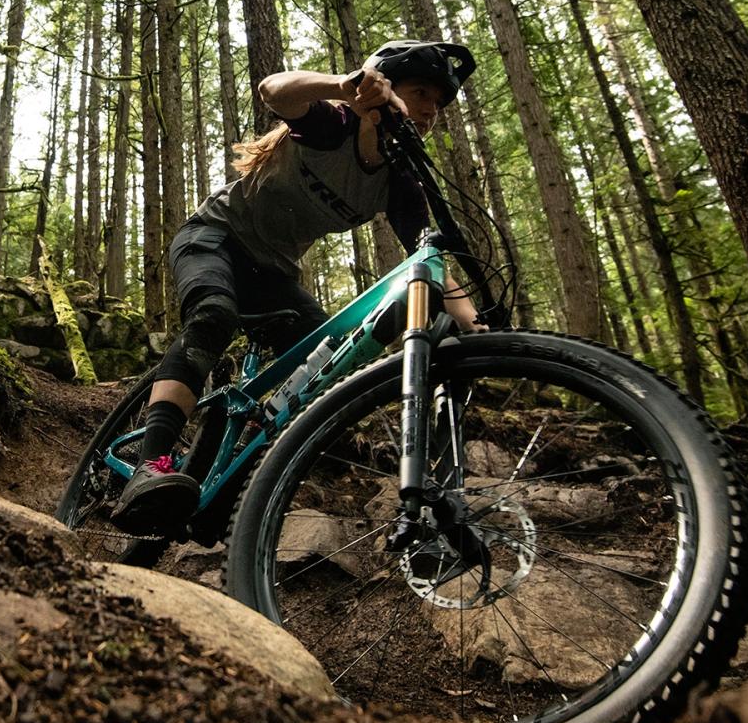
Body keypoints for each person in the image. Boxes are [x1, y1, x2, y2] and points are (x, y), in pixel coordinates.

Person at [112, 40, 483, 534]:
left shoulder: (399, 183)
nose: (431, 111)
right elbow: (274, 90)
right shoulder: (334, 125)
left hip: (274, 273)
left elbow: (432, 264)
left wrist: (479, 328)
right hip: (215, 238)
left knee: (326, 364)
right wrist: (346, 87)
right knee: (213, 315)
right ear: (385, 86)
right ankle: (150, 464)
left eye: (438, 103)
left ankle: (231, 481)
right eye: (421, 94)